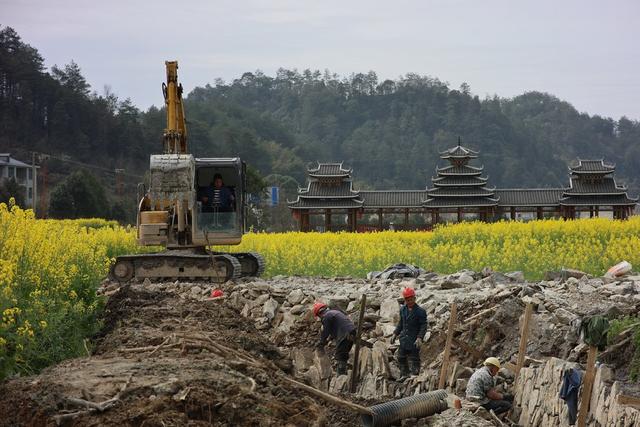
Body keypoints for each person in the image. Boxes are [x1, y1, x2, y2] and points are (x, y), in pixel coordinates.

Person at [391, 287, 427, 378]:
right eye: (407, 300)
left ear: (414, 298)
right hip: (404, 338)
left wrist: (420, 337)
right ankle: (405, 374)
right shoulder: (403, 310)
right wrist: (395, 333)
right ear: (405, 300)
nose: (410, 302)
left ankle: (415, 374)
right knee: (401, 357)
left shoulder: (420, 312)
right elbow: (401, 323)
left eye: (411, 299)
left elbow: (423, 326)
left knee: (414, 358)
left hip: (414, 339)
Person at [313, 302, 356, 375]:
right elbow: (334, 328)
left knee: (340, 354)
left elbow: (325, 331)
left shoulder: (326, 317)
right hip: (352, 331)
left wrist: (321, 343)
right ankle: (344, 372)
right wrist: (330, 338)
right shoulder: (334, 312)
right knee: (344, 353)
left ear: (319, 314)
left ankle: (341, 376)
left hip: (344, 333)